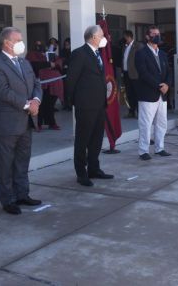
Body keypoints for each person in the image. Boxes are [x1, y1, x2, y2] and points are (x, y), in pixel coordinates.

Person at [0, 27, 43, 215]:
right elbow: (3, 92)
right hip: (7, 123)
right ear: (7, 43)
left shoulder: (24, 63)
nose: (21, 43)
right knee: (5, 163)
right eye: (18, 40)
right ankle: (8, 199)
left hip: (26, 121)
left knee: (22, 161)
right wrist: (28, 105)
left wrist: (36, 100)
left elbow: (36, 83)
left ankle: (22, 194)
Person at [66, 25, 114, 187]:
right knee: (83, 140)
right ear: (93, 37)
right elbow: (71, 80)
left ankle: (94, 168)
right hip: (85, 106)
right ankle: (81, 173)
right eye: (101, 36)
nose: (104, 38)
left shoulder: (97, 53)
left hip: (99, 104)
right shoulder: (79, 54)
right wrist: (73, 102)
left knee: (96, 139)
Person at [135, 25, 172, 160]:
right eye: (153, 34)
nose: (157, 36)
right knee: (146, 124)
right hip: (148, 94)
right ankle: (143, 151)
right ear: (147, 37)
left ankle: (159, 148)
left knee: (162, 123)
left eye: (158, 33)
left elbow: (169, 72)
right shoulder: (141, 53)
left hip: (162, 94)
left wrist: (167, 84)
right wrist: (158, 85)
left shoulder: (162, 54)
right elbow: (143, 73)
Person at [26, 41, 62, 130]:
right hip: (38, 83)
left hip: (52, 84)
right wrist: (48, 64)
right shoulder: (30, 55)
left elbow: (58, 64)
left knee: (49, 105)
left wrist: (54, 64)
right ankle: (37, 124)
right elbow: (33, 65)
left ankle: (51, 122)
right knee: (39, 104)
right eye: (37, 45)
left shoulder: (49, 54)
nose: (39, 47)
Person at [122, 30, 142, 118]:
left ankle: (139, 112)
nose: (124, 39)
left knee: (137, 93)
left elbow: (141, 61)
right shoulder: (125, 46)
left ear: (129, 37)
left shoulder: (138, 46)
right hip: (126, 74)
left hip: (135, 74)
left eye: (125, 37)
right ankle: (131, 111)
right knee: (129, 93)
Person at [60, 38, 72, 110]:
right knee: (64, 89)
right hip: (64, 73)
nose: (67, 46)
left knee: (69, 89)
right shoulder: (63, 51)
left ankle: (70, 104)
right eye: (66, 45)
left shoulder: (72, 51)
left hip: (70, 73)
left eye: (68, 44)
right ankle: (65, 105)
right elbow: (62, 60)